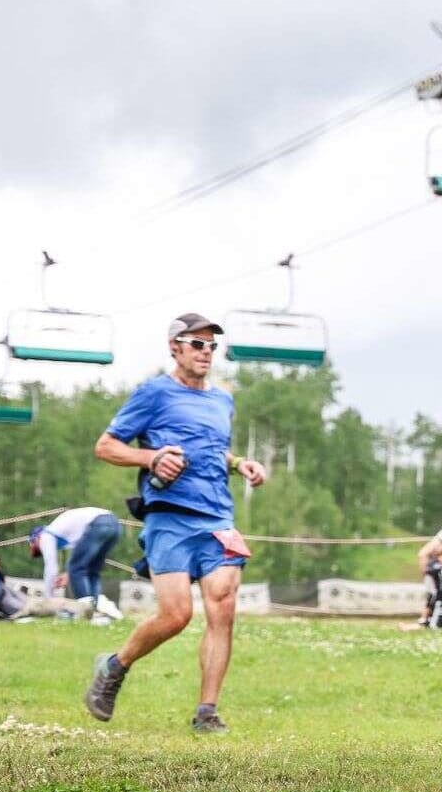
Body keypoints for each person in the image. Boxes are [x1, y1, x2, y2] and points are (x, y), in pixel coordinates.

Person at [85, 313, 269, 734]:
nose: (206, 352)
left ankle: (207, 711)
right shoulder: (153, 394)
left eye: (211, 346)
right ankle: (115, 666)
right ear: (175, 347)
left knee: (222, 607)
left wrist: (240, 463)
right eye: (197, 343)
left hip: (218, 517)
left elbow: (211, 450)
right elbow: (106, 446)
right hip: (169, 517)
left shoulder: (223, 401)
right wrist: (150, 457)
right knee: (176, 615)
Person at [29, 507, 124, 624]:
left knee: (77, 569)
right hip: (114, 524)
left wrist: (49, 599)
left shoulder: (46, 535)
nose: (40, 550)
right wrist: (69, 574)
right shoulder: (66, 533)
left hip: (98, 524)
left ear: (36, 538)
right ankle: (95, 610)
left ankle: (85, 611)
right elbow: (82, 559)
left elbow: (51, 567)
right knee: (91, 571)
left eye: (34, 545)